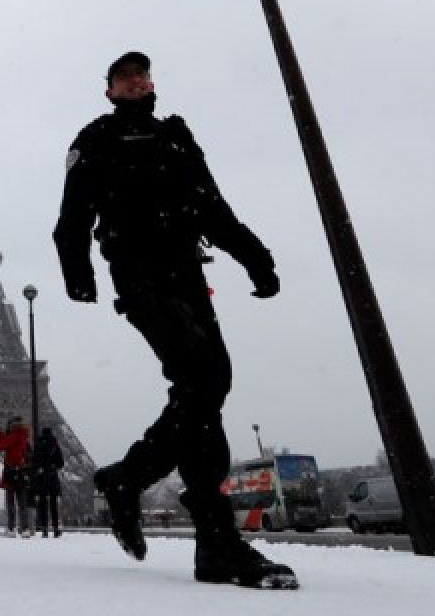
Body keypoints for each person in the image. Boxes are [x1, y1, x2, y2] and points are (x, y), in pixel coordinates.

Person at [52, 52, 298, 589]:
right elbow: (72, 216)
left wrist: (254, 255)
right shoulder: (93, 140)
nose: (135, 82)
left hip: (186, 272)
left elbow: (211, 205)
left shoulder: (176, 137)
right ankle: (212, 536)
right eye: (124, 77)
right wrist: (78, 273)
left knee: (207, 385)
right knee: (202, 382)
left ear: (151, 83)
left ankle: (138, 486)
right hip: (139, 278)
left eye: (142, 74)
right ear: (110, 90)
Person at [0, 416, 32, 538]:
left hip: (11, 472)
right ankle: (25, 528)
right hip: (21, 472)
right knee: (22, 503)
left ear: (12, 426)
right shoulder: (24, 437)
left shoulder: (14, 436)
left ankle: (11, 528)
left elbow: (0, 445)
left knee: (10, 502)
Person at [31, 427, 64, 538]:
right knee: (53, 504)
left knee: (43, 504)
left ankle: (44, 529)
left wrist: (40, 468)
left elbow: (34, 461)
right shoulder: (54, 444)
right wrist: (53, 466)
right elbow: (61, 462)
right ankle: (55, 529)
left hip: (41, 477)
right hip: (52, 476)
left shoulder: (38, 444)